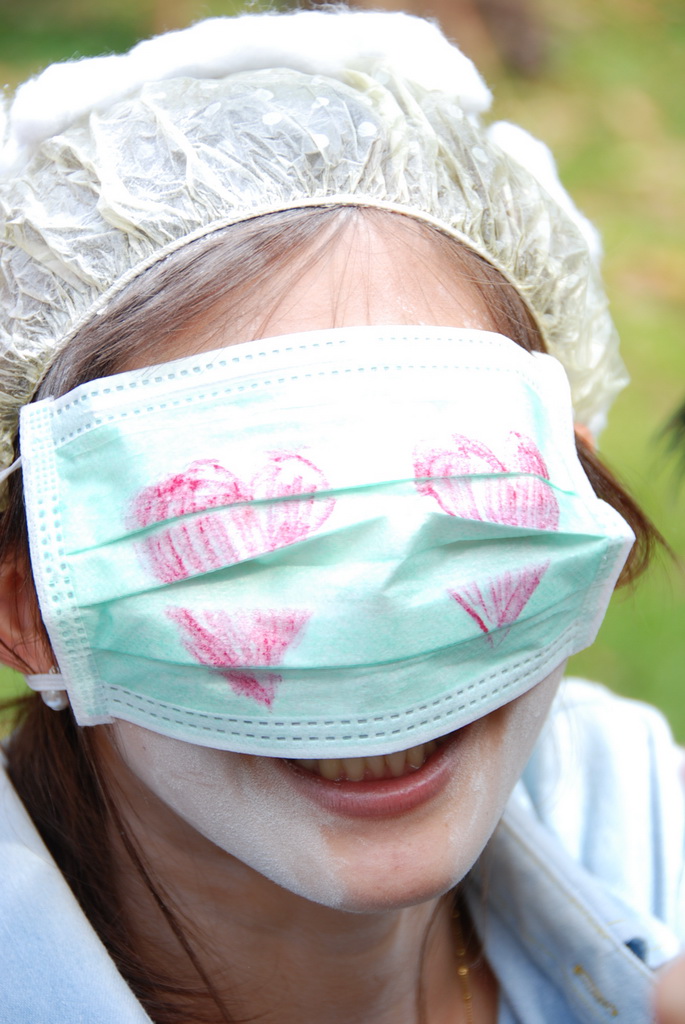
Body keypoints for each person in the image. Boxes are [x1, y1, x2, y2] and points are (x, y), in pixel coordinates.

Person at [0, 9, 682, 1023]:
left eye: (460, 510)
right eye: (244, 537)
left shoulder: (632, 806)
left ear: (570, 483)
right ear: (28, 606)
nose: (379, 613)